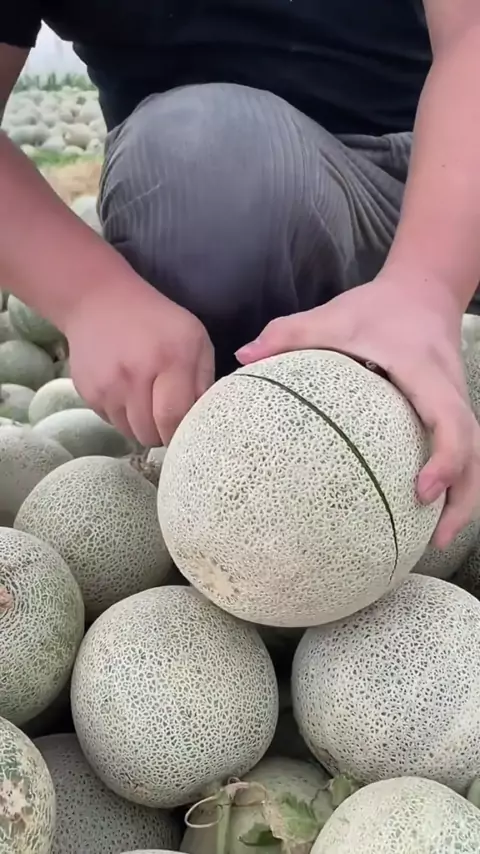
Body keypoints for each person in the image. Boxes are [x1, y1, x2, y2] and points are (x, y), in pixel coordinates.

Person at [1, 1, 480, 549]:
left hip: (452, 162)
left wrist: (428, 288)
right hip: (223, 188)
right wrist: (90, 293)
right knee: (200, 165)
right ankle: (260, 495)